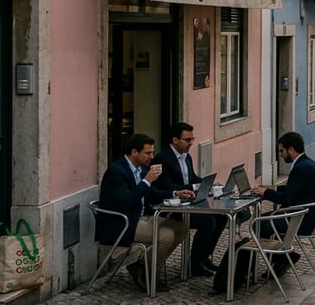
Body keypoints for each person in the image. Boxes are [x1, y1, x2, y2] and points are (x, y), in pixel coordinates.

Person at [96, 133, 188, 292]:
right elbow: (127, 201)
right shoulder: (116, 172)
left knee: (182, 228)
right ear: (134, 152)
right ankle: (148, 274)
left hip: (141, 218)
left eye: (152, 152)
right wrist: (147, 181)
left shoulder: (140, 169)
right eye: (148, 153)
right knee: (166, 235)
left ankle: (142, 268)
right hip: (122, 223)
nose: (151, 157)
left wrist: (176, 193)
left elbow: (151, 193)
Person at [152, 122, 224, 277]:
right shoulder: (163, 159)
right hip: (172, 208)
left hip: (189, 204)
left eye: (192, 139)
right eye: (187, 140)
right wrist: (193, 187)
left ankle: (204, 257)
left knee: (221, 217)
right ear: (175, 140)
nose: (191, 143)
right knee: (208, 222)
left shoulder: (187, 156)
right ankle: (195, 263)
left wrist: (207, 183)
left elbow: (192, 178)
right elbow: (165, 185)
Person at [251, 131, 315, 269]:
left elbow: (288, 198)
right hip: (307, 215)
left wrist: (266, 193)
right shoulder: (307, 163)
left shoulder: (300, 168)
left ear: (291, 149)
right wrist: (273, 188)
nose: (280, 155)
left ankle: (282, 260)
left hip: (301, 220)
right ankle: (283, 258)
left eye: (282, 151)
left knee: (258, 223)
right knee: (264, 221)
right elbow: (295, 189)